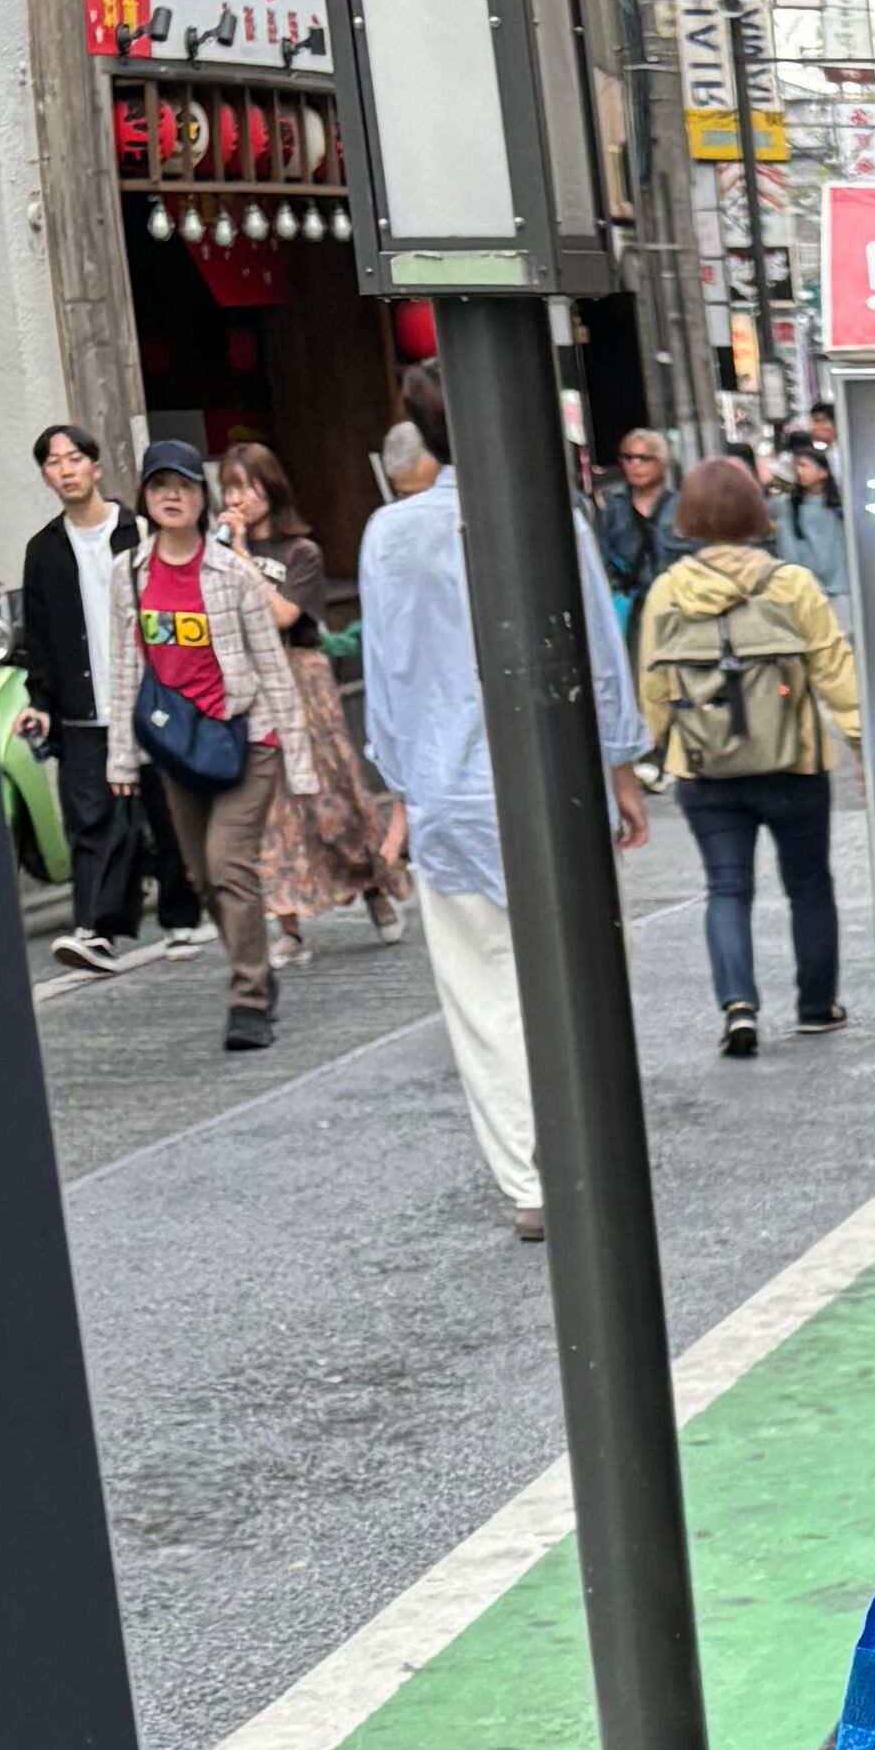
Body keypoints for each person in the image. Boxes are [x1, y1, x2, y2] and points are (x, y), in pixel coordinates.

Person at [356, 383, 653, 1237]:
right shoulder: (552, 517)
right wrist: (622, 768)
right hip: (555, 782)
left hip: (447, 793)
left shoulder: (390, 533)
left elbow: (386, 676)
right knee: (581, 975)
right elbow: (598, 652)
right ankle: (591, 1152)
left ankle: (530, 1179)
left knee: (485, 996)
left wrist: (401, 791)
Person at [634, 450, 861, 1055]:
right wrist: (862, 744)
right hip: (794, 763)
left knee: (727, 888)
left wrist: (655, 749)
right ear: (757, 513)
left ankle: (738, 1006)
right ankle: (817, 1006)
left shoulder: (668, 592)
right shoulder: (791, 584)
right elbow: (835, 671)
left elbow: (654, 683)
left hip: (705, 768)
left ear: (688, 517)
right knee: (809, 883)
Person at [117, 440, 311, 1053]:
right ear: (145, 498)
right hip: (179, 747)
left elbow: (272, 665)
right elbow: (125, 667)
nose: (172, 496)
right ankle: (257, 970)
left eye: (183, 485)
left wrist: (298, 758)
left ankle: (248, 998)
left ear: (202, 499)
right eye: (159, 486)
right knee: (202, 877)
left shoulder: (232, 573)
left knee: (229, 863)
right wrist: (121, 758)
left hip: (246, 736)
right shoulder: (130, 573)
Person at [214, 438, 410, 955]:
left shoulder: (301, 553)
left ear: (271, 488)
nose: (237, 499)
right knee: (268, 806)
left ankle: (374, 884)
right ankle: (289, 927)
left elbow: (283, 615)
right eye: (229, 488)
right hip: (250, 682)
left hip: (302, 678)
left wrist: (240, 556)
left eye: (247, 486)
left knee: (332, 796)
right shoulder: (218, 556)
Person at [18, 419, 155, 974]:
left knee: (160, 814)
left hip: (149, 701)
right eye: (53, 463)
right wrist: (41, 703)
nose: (65, 470)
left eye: (74, 459)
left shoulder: (138, 531)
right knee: (90, 821)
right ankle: (92, 930)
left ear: (96, 468)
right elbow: (39, 638)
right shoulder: (43, 550)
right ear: (46, 478)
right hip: (83, 711)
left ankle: (181, 915)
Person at [594, 425, 680, 639]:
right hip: (630, 614)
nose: (635, 465)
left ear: (662, 463)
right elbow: (601, 558)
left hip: (675, 608)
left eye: (644, 458)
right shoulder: (612, 507)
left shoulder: (681, 506)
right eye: (628, 458)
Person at [773, 426, 851, 615]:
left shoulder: (840, 506)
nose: (799, 471)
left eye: (804, 465)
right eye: (796, 466)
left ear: (823, 472)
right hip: (805, 591)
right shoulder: (787, 505)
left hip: (840, 588)